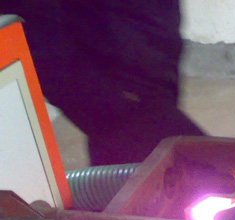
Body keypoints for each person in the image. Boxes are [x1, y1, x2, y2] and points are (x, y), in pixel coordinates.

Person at [3, 1, 206, 165]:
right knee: (202, 170)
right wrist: (107, 100)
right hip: (116, 92)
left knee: (135, 177)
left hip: (153, 72)